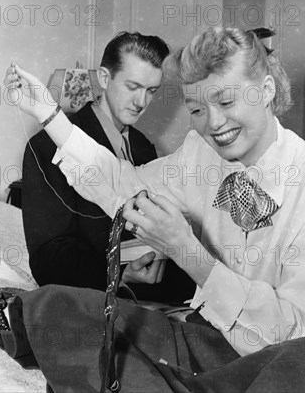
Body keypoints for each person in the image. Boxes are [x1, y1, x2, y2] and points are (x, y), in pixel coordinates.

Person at [2, 26, 305, 392]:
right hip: (206, 336)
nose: (213, 123)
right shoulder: (200, 151)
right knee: (53, 306)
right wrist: (49, 115)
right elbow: (124, 183)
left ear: (266, 90)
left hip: (285, 350)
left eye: (226, 102)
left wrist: (184, 249)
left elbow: (285, 330)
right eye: (197, 109)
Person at [20, 31, 195, 302]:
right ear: (104, 78)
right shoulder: (45, 146)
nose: (141, 103)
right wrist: (118, 275)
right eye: (133, 87)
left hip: (156, 292)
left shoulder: (144, 146)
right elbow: (48, 255)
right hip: (92, 294)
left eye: (151, 91)